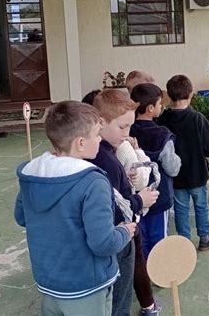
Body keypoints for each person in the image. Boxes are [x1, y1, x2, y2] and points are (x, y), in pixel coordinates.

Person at [14, 100, 136, 316]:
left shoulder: (32, 173)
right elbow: (103, 244)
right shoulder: (92, 181)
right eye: (97, 134)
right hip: (86, 286)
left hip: (49, 282)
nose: (100, 139)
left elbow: (21, 217)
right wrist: (126, 231)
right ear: (80, 142)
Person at [88, 90, 161, 316]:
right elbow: (114, 205)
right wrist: (141, 199)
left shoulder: (108, 151)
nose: (127, 134)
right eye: (122, 127)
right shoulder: (104, 157)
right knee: (120, 296)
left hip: (119, 232)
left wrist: (125, 181)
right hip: (120, 233)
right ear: (101, 123)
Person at [158, 75, 209, 251]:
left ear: (169, 96)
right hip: (197, 173)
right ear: (191, 93)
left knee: (180, 209)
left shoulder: (163, 119)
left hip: (175, 175)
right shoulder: (198, 118)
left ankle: (184, 243)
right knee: (201, 206)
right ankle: (205, 238)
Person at [130, 83, 181, 257]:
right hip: (159, 196)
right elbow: (172, 168)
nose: (162, 107)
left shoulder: (126, 131)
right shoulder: (162, 134)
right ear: (150, 108)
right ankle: (159, 273)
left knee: (140, 238)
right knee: (159, 238)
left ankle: (144, 275)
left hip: (135, 196)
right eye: (160, 104)